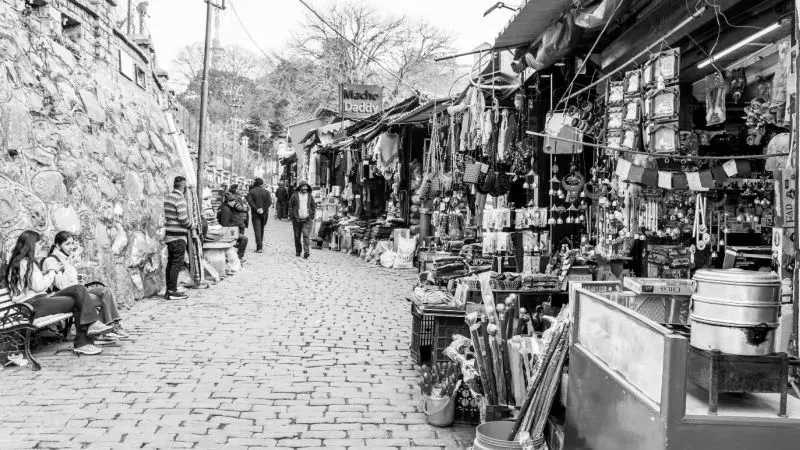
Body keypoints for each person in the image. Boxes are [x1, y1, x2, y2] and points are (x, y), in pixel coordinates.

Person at [4, 231, 111, 355]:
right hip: (31, 306)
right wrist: (52, 271)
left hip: (39, 300)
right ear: (31, 245)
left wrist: (46, 273)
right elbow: (39, 287)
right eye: (39, 244)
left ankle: (88, 333)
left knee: (78, 289)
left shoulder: (23, 262)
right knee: (77, 300)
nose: (41, 248)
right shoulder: (26, 262)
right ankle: (84, 340)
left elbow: (33, 283)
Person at [44, 231, 127, 339]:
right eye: (67, 244)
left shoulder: (67, 258)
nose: (71, 247)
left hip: (77, 290)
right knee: (103, 298)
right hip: (65, 296)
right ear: (58, 245)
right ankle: (108, 327)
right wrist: (65, 271)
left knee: (105, 291)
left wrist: (77, 279)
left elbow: (71, 280)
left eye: (72, 243)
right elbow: (61, 285)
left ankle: (110, 326)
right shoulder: (51, 260)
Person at [163, 176, 193, 300]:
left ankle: (169, 289)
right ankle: (172, 291)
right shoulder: (180, 199)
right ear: (183, 186)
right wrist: (191, 225)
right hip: (178, 235)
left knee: (170, 263)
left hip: (169, 234)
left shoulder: (168, 197)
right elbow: (182, 218)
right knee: (176, 263)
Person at [218, 184, 249, 260]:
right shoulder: (226, 209)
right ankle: (239, 257)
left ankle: (237, 256)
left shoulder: (228, 207)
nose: (233, 202)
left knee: (242, 235)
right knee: (244, 239)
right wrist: (234, 227)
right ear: (227, 201)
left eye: (234, 201)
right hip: (226, 231)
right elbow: (225, 224)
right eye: (231, 201)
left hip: (228, 229)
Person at [289, 181, 316, 259]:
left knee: (306, 235)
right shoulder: (295, 195)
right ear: (300, 187)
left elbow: (313, 206)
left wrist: (311, 215)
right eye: (303, 186)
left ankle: (306, 251)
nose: (305, 188)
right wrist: (292, 216)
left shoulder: (310, 196)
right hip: (297, 219)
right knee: (297, 236)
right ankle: (298, 250)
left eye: (306, 187)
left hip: (307, 219)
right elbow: (290, 206)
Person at [246, 178, 272, 253]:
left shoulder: (251, 192)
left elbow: (250, 201)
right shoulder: (266, 192)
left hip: (255, 213)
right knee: (262, 229)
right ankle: (260, 245)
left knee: (257, 230)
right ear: (261, 184)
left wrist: (256, 209)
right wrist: (263, 209)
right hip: (264, 213)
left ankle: (259, 247)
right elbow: (269, 202)